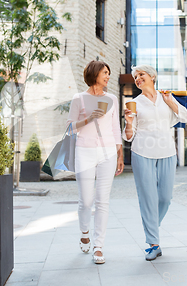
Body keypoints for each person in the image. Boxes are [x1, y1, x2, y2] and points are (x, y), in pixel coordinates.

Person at [122, 65, 187, 261]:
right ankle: (154, 243)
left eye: (141, 75)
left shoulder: (166, 97)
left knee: (165, 198)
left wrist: (171, 102)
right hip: (142, 152)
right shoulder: (134, 103)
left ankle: (151, 227)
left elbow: (184, 117)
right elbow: (128, 137)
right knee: (148, 198)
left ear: (152, 76)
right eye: (135, 77)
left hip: (167, 152)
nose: (137, 78)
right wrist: (128, 122)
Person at [66, 60, 124, 264]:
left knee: (102, 200)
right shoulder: (79, 98)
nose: (108, 76)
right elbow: (70, 128)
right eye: (104, 72)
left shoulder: (112, 99)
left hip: (108, 152)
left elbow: (115, 127)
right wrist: (89, 118)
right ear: (94, 74)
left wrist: (120, 154)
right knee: (86, 200)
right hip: (85, 152)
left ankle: (99, 247)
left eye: (109, 72)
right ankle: (84, 231)